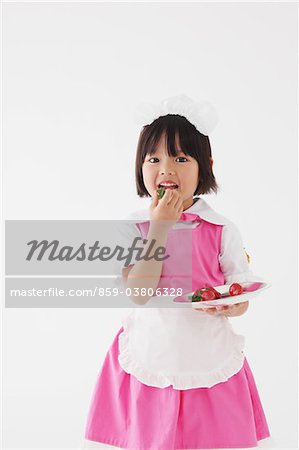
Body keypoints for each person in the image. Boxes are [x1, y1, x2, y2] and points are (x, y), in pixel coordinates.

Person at [81, 95, 275, 450]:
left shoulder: (221, 228)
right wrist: (159, 228)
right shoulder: (133, 228)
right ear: (140, 167)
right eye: (154, 158)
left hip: (209, 358)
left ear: (206, 166)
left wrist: (233, 305)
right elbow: (138, 293)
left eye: (181, 158)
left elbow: (239, 290)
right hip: (152, 354)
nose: (166, 169)